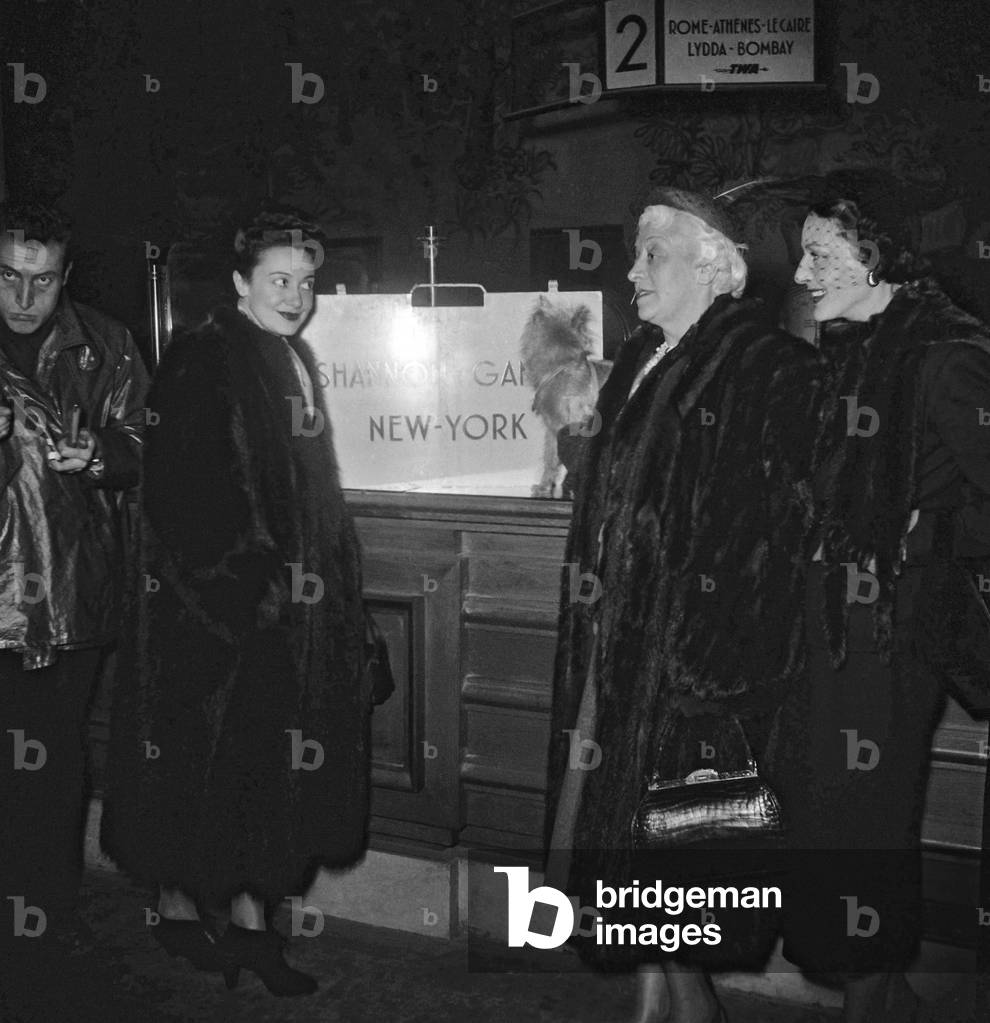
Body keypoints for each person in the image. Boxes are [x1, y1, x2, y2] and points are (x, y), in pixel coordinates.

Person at [544, 188, 821, 1023]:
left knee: (675, 862)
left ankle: (687, 1008)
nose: (631, 271)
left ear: (714, 264)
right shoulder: (641, 357)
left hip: (691, 665)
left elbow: (788, 529)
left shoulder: (768, 364)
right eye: (635, 253)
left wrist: (709, 652)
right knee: (631, 851)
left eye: (652, 253)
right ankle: (652, 1002)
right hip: (613, 645)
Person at [101, 209, 372, 997]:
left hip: (283, 617)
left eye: (305, 282)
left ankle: (237, 923)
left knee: (255, 776)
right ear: (239, 282)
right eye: (278, 280)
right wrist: (253, 595)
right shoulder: (204, 355)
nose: (294, 295)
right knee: (214, 768)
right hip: (219, 623)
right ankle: (195, 915)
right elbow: (180, 497)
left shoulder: (290, 355)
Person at [774, 171, 990, 1023]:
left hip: (891, 630)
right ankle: (879, 988)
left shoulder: (945, 353)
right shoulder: (848, 349)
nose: (803, 274)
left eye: (821, 253)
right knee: (830, 813)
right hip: (828, 625)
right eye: (803, 254)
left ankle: (871, 998)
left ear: (877, 252)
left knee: (867, 818)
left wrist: (922, 532)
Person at [0, 201, 149, 955]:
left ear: (67, 276)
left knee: (53, 767)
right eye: (8, 276)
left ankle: (46, 916)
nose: (24, 297)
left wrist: (100, 456)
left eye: (43, 279)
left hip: (67, 593)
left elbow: (148, 441)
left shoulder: (107, 343)